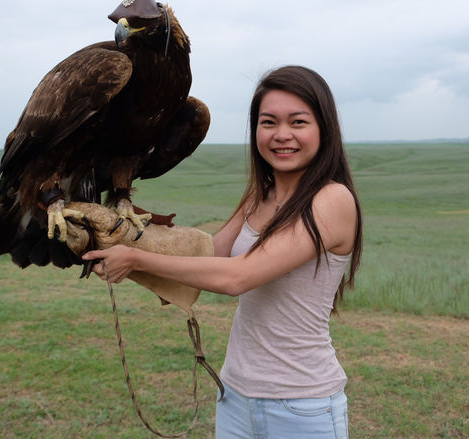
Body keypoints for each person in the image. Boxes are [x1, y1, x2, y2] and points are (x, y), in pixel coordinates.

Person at [83, 65, 362, 439]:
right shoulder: (258, 196)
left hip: (301, 405)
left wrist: (135, 259)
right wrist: (120, 240)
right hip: (235, 395)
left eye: (298, 122)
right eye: (268, 123)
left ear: (324, 129)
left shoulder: (332, 200)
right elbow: (212, 253)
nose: (282, 135)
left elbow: (238, 277)